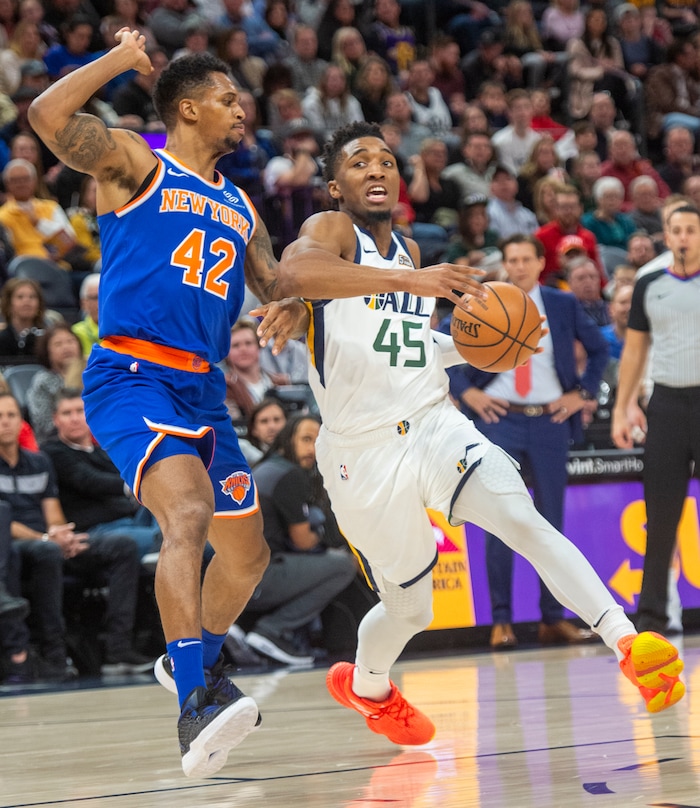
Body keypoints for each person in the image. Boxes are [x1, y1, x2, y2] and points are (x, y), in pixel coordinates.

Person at [28, 37, 477, 776]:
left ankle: (190, 660)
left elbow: (281, 286)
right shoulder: (135, 163)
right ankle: (196, 701)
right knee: (188, 516)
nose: (243, 109)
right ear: (189, 107)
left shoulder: (240, 207)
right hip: (134, 375)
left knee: (247, 556)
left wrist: (296, 312)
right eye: (229, 99)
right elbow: (47, 113)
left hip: (203, 390)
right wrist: (118, 59)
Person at [279, 120, 684, 747]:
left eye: (386, 159)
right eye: (360, 163)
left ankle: (627, 641)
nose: (378, 169)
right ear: (335, 185)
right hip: (362, 453)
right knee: (415, 610)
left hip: (435, 424)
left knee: (525, 521)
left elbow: (409, 347)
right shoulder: (335, 234)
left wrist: (478, 349)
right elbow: (294, 275)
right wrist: (409, 283)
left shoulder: (411, 251)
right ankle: (368, 685)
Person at [445, 233, 608, 649]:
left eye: (525, 259)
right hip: (500, 420)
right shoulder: (485, 300)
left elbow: (600, 350)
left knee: (551, 522)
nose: (517, 266)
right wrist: (468, 393)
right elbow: (442, 348)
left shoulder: (562, 303)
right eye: (510, 259)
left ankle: (553, 617)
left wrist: (583, 394)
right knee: (501, 521)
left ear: (540, 263)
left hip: (550, 420)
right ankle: (502, 621)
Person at [0, 391, 150, 680]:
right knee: (47, 553)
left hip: (50, 541)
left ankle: (118, 649)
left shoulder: (39, 462)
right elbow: (3, 521)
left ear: (22, 422)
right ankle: (55, 654)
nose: (5, 422)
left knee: (122, 546)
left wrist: (61, 534)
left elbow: (53, 511)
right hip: (14, 545)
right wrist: (46, 539)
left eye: (11, 415)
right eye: (0, 416)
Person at [612, 203, 700, 635]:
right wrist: (622, 407)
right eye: (676, 230)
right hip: (665, 404)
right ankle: (651, 620)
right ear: (666, 235)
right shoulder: (649, 281)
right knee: (660, 517)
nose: (683, 237)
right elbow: (634, 351)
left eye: (691, 230)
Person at [241, 414, 357, 665]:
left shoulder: (266, 467)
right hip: (257, 579)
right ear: (287, 439)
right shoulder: (290, 476)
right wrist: (324, 536)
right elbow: (304, 541)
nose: (312, 449)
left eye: (318, 442)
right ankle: (272, 630)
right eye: (306, 439)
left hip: (237, 575)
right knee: (344, 564)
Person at [42, 388, 162, 560]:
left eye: (80, 411)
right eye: (67, 413)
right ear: (56, 419)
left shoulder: (104, 451)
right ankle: (166, 544)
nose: (75, 419)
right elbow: (88, 480)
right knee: (177, 539)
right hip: (98, 530)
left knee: (167, 499)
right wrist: (132, 486)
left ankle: (170, 540)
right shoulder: (53, 452)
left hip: (132, 519)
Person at [26, 323, 84, 444]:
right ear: (47, 352)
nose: (66, 347)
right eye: (58, 344)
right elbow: (44, 424)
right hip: (55, 443)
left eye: (70, 341)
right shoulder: (42, 382)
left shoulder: (92, 375)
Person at [0, 277, 47, 361]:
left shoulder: (46, 339)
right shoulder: (2, 338)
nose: (27, 301)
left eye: (32, 297)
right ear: (8, 303)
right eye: (20, 297)